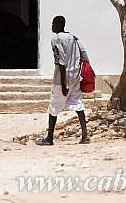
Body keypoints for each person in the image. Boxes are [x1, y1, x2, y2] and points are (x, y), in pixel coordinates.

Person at [36, 15, 90, 146]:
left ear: (58, 24)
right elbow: (84, 54)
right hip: (75, 76)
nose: (51, 26)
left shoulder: (56, 38)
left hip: (62, 77)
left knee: (54, 106)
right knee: (78, 103)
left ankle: (49, 138)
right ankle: (85, 135)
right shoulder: (73, 37)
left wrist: (63, 82)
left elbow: (60, 60)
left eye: (53, 23)